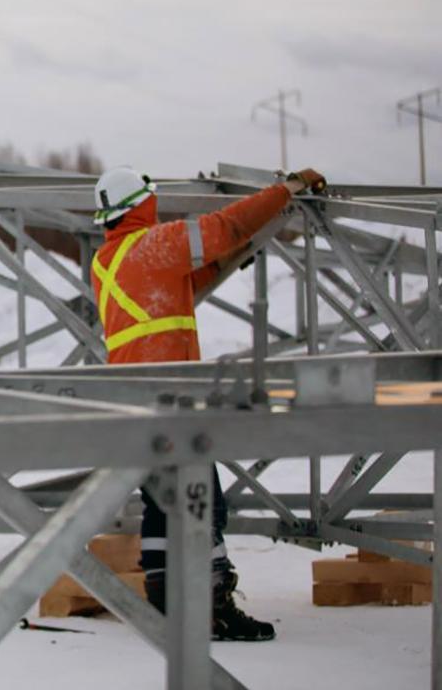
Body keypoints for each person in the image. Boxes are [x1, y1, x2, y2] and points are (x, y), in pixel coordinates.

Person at [89, 164, 326, 642]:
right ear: (142, 205)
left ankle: (168, 605)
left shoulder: (109, 262)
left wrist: (231, 257)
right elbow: (225, 227)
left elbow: (180, 286)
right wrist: (286, 191)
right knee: (204, 507)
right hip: (168, 398)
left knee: (162, 507)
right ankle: (209, 608)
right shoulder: (153, 245)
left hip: (135, 399)